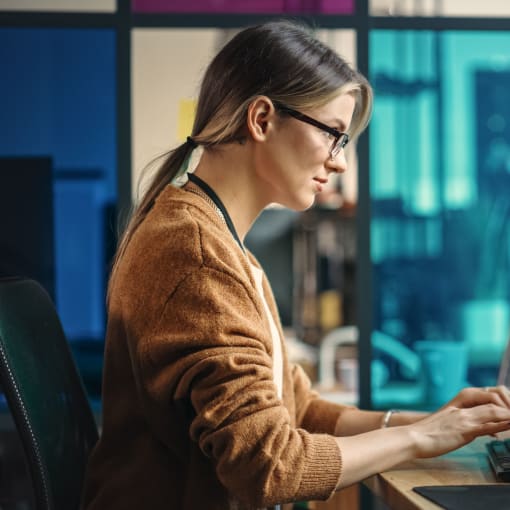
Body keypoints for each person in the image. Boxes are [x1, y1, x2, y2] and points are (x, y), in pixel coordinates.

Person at [81, 20, 510, 510]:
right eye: (333, 134)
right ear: (261, 120)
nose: (341, 162)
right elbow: (270, 466)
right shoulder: (196, 254)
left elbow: (298, 408)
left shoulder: (218, 242)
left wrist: (430, 422)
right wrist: (421, 439)